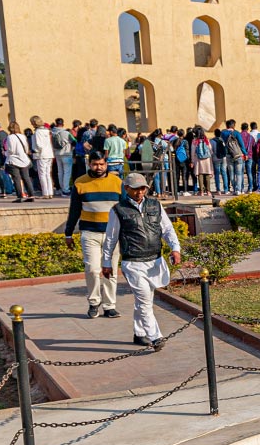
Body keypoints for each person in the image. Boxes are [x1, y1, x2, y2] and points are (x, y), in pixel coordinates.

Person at [100, 172, 183, 349]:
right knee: (145, 299)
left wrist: (175, 249)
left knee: (144, 299)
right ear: (127, 188)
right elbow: (110, 239)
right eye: (136, 189)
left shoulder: (155, 205)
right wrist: (106, 263)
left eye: (143, 188)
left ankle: (139, 333)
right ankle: (156, 337)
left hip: (155, 261)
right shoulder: (118, 210)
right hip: (133, 262)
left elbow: (167, 230)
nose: (140, 192)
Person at [61, 149, 124, 320]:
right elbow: (74, 210)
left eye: (102, 164)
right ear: (89, 164)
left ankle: (110, 306)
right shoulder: (80, 183)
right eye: (95, 164)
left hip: (112, 234)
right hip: (90, 233)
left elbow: (125, 210)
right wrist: (68, 233)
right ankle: (94, 302)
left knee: (110, 271)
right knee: (92, 269)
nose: (98, 167)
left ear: (106, 164)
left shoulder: (117, 182)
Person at [1, 123, 34, 202]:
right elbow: (26, 149)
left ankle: (20, 196)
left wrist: (5, 153)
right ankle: (31, 195)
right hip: (24, 159)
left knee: (17, 179)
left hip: (14, 160)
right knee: (26, 178)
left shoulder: (10, 137)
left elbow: (11, 150)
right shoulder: (23, 136)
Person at [30, 117, 56, 198]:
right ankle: (50, 192)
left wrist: (35, 150)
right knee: (48, 174)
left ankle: (45, 193)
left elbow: (38, 144)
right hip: (49, 154)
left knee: (42, 174)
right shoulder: (47, 131)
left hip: (41, 154)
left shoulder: (38, 132)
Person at [52, 118, 75, 195]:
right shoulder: (66, 133)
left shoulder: (52, 132)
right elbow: (74, 141)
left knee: (60, 172)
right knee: (67, 172)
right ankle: (66, 189)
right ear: (63, 124)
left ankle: (61, 188)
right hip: (66, 153)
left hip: (57, 154)